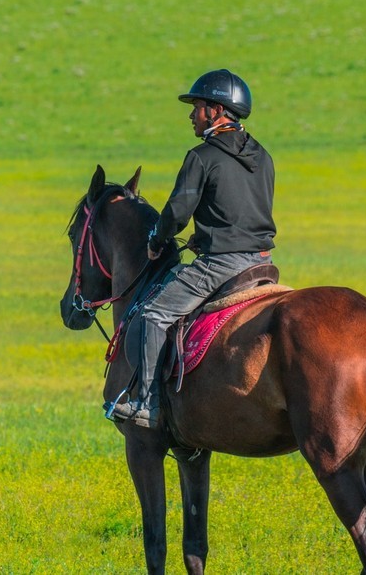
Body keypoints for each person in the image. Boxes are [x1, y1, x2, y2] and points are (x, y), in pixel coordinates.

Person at [109, 69, 276, 428]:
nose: (191, 115)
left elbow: (176, 212)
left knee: (153, 314)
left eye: (197, 107)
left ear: (216, 111)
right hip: (263, 263)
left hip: (221, 265)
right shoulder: (263, 157)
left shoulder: (202, 156)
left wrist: (156, 241)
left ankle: (146, 404)